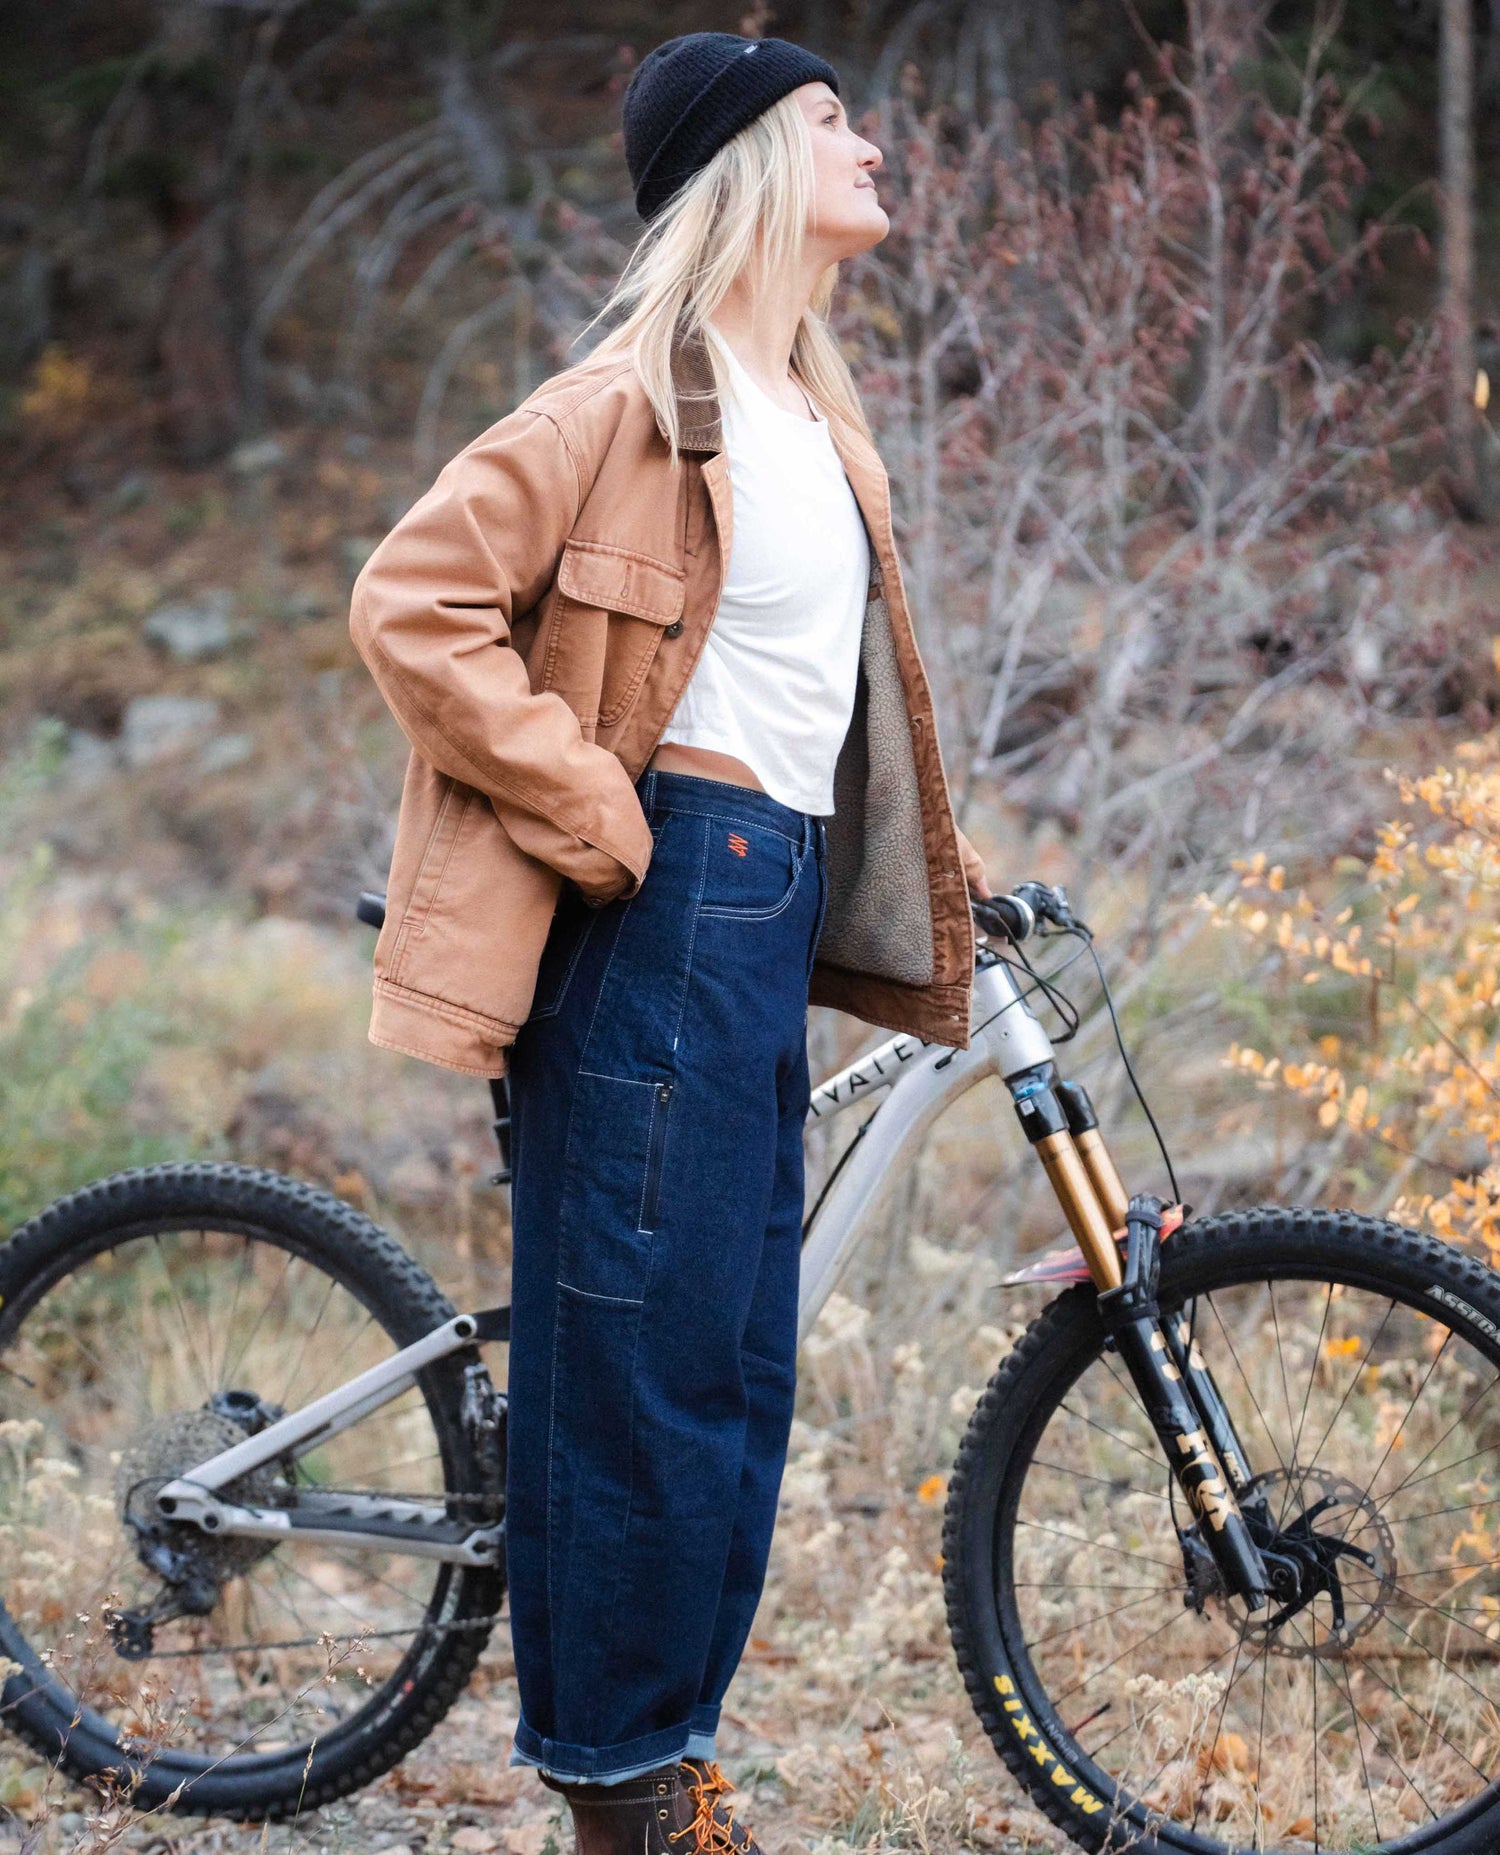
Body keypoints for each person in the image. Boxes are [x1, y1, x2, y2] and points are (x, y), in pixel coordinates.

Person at [348, 29, 992, 1855]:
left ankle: (664, 1755)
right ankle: (621, 1796)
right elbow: (413, 598)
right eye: (831, 119)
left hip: (764, 899)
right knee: (640, 1370)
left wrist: (947, 880)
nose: (872, 142)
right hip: (664, 894)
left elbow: (824, 701)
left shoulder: (817, 422)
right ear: (748, 165)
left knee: (727, 1370)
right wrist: (596, 804)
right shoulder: (624, 404)